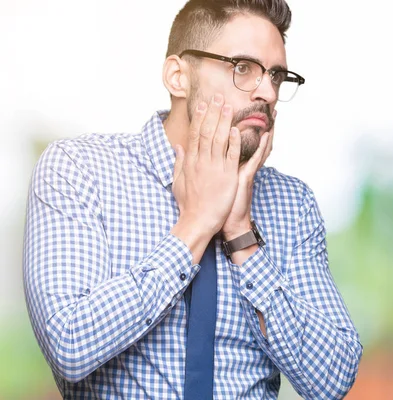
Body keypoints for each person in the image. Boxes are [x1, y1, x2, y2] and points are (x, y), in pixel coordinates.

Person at [23, 0, 362, 398]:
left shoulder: (292, 202)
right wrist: (195, 226)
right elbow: (70, 344)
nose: (268, 92)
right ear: (178, 76)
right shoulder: (80, 171)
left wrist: (241, 236)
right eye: (243, 68)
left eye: (276, 75)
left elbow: (334, 378)